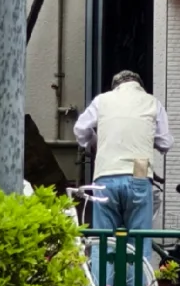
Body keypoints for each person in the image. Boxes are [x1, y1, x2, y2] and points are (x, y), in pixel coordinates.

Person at [73, 69, 173, 263]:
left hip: (106, 174)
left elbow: (80, 128)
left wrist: (93, 141)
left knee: (104, 239)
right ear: (139, 86)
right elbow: (165, 143)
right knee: (138, 240)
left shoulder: (102, 100)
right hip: (139, 172)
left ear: (116, 86)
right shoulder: (152, 102)